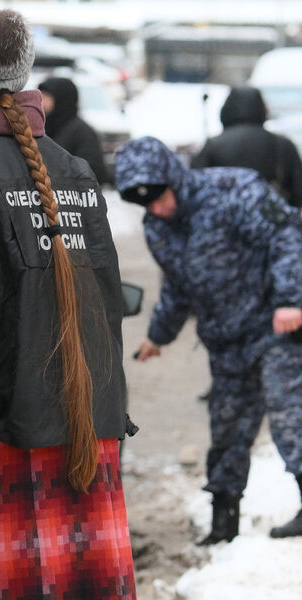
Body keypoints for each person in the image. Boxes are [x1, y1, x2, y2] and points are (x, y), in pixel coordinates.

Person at [0, 10, 137, 599]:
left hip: (4, 405)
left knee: (5, 576)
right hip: (87, 407)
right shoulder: (75, 168)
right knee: (75, 570)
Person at [115, 136, 302, 544]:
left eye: (160, 197)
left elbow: (288, 235)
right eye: (146, 204)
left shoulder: (234, 190)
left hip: (276, 329)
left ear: (175, 179)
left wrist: (291, 300)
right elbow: (178, 287)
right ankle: (223, 526)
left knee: (291, 420)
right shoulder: (159, 227)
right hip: (226, 340)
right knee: (228, 430)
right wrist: (157, 336)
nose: (157, 209)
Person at [192, 85, 302, 208]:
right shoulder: (283, 144)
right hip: (272, 218)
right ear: (261, 109)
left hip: (226, 218)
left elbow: (195, 187)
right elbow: (298, 191)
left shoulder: (214, 145)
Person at [38, 76, 112, 185]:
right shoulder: (43, 127)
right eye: (40, 96)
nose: (41, 102)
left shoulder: (82, 132)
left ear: (61, 99)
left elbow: (93, 171)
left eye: (46, 97)